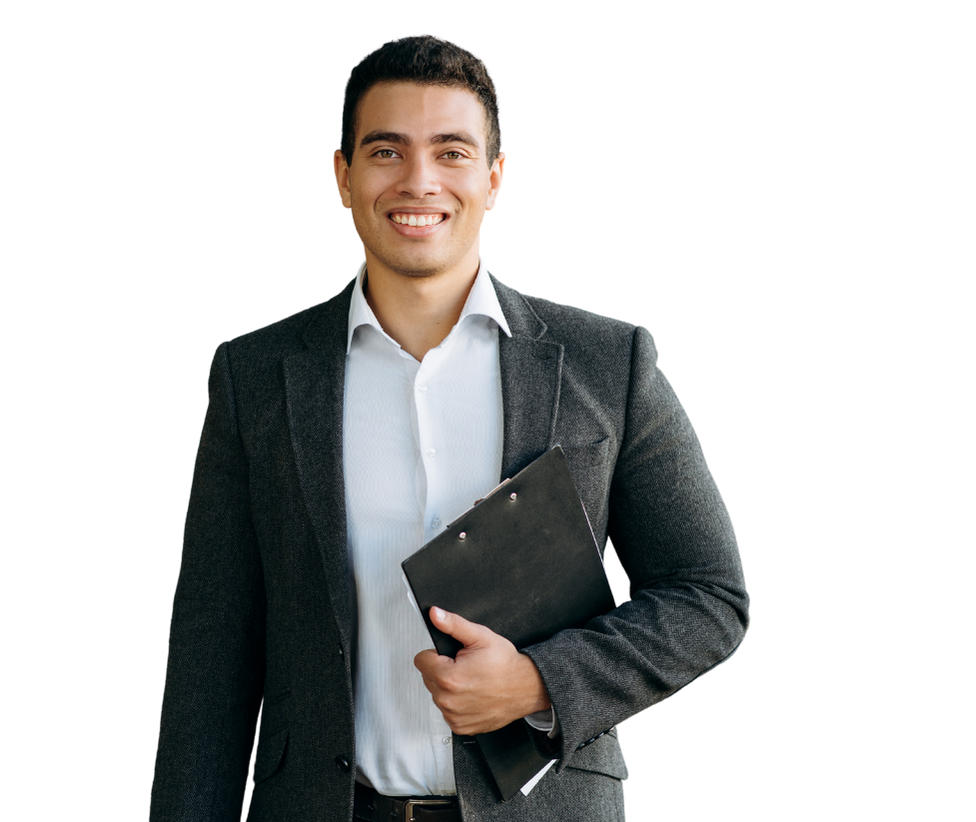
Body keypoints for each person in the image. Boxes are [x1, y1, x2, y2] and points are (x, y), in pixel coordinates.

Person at [149, 34, 750, 822]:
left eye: (452, 151)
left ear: (495, 180)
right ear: (342, 178)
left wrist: (541, 681)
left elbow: (708, 596)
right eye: (386, 150)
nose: (418, 180)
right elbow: (210, 661)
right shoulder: (255, 376)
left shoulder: (611, 366)